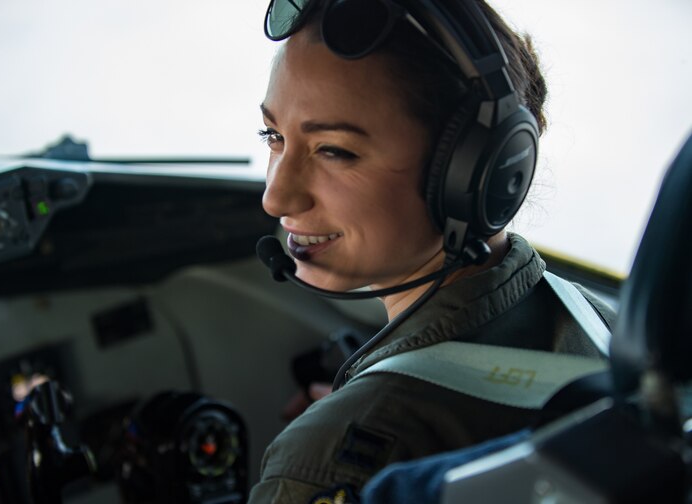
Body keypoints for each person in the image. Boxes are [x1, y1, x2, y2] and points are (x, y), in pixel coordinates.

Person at [249, 0, 616, 502]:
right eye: (273, 136)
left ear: (471, 175)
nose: (276, 196)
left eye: (334, 150)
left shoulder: (328, 462)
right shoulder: (610, 328)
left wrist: (345, 432)